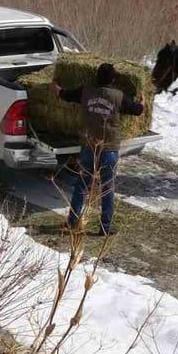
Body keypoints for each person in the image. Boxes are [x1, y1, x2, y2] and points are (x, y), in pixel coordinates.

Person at [52, 63, 145, 236]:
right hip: (109, 149)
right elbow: (137, 110)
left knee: (82, 184)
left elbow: (64, 94)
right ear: (114, 79)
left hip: (89, 146)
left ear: (96, 77)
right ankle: (105, 227)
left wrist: (55, 87)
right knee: (107, 188)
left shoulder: (85, 92)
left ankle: (72, 222)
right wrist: (143, 102)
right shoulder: (118, 96)